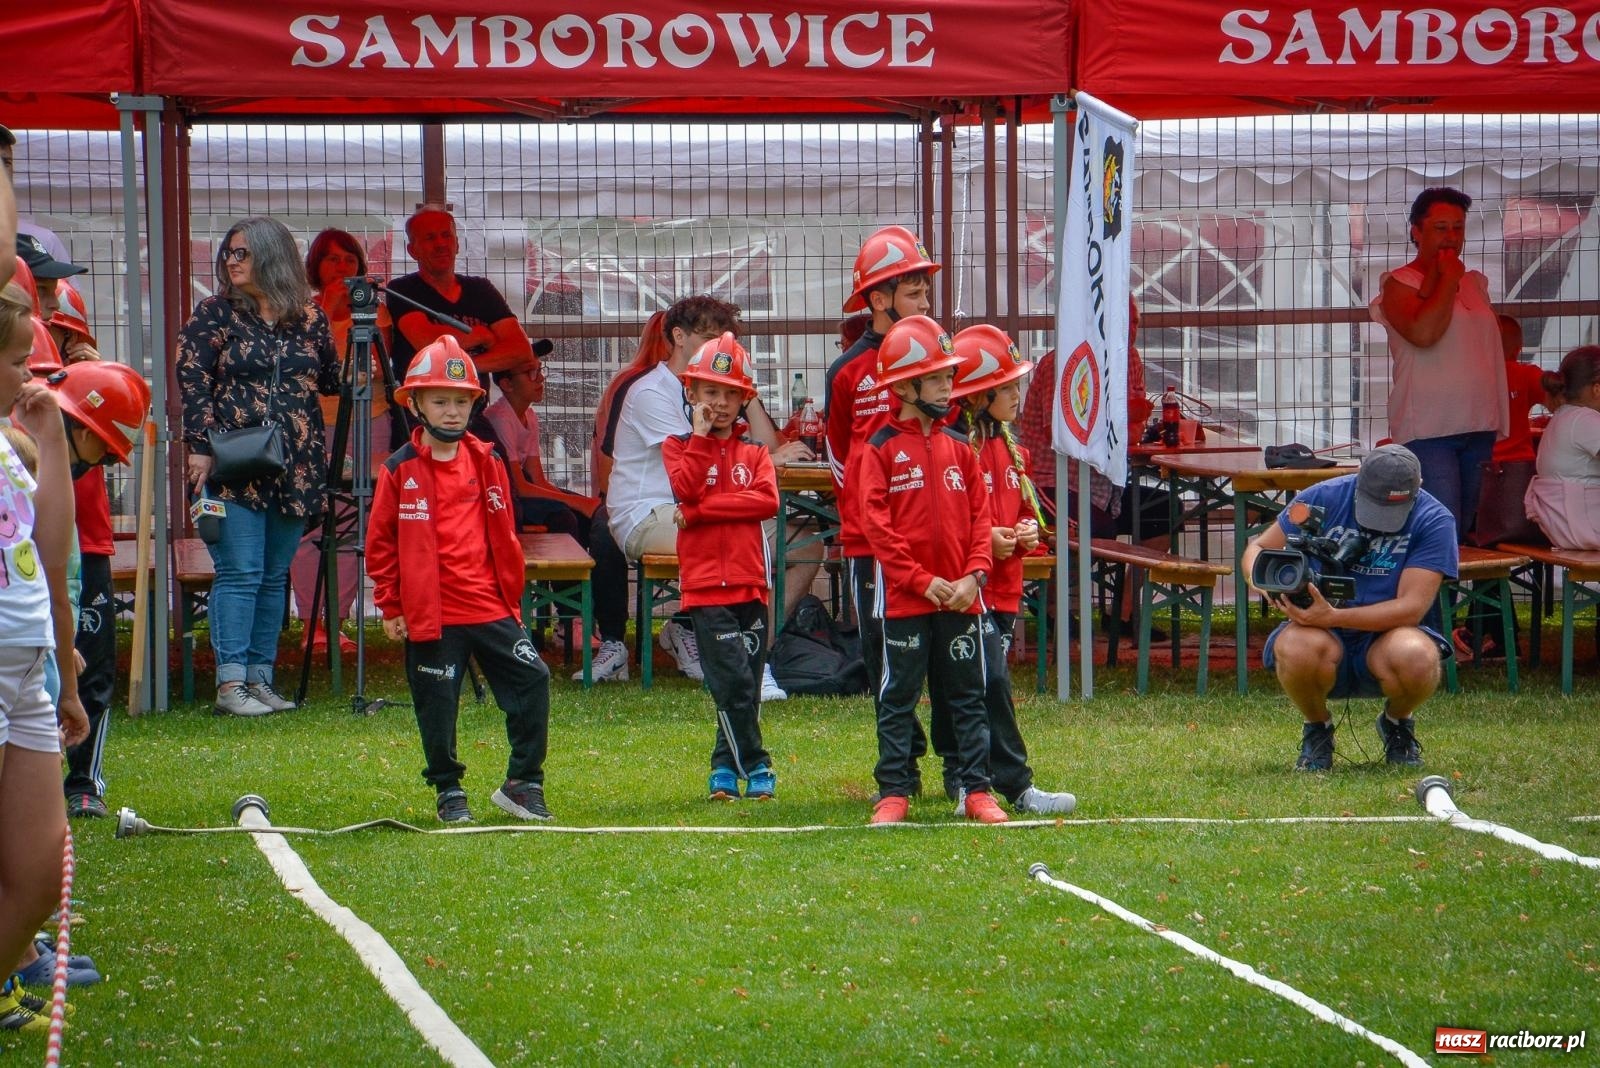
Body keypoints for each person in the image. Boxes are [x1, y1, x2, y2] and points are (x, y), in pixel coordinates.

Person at [366, 336, 554, 825]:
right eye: (440, 401)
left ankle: (523, 783)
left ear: (474, 403)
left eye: (460, 401)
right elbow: (381, 545)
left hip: (490, 607)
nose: (452, 411)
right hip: (433, 616)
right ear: (417, 404)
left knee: (533, 678)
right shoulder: (398, 469)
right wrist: (391, 605)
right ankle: (448, 790)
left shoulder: (488, 461)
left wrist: (510, 599)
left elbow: (504, 533)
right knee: (437, 705)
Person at [176, 217, 341, 717]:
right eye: (229, 252)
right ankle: (230, 685)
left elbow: (331, 380)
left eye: (242, 252)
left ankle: (259, 678)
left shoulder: (309, 319)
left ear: (272, 257)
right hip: (232, 464)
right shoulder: (215, 314)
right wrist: (200, 445)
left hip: (296, 465)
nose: (231, 260)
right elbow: (192, 378)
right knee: (240, 572)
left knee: (273, 576)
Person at [608, 295, 810, 696]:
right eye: (708, 337)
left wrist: (746, 395)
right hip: (648, 514)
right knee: (738, 542)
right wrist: (768, 457)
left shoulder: (726, 394)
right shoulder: (651, 392)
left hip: (701, 510)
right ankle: (735, 653)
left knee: (806, 545)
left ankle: (751, 650)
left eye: (724, 339)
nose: (718, 347)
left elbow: (755, 452)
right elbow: (698, 472)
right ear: (678, 337)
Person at [856, 315, 1004, 826]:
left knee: (967, 694)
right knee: (898, 696)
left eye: (948, 374)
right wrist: (921, 581)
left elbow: (982, 518)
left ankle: (975, 789)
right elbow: (876, 527)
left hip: (963, 596)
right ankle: (893, 791)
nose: (949, 384)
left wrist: (973, 578)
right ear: (905, 385)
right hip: (902, 599)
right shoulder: (877, 450)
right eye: (939, 377)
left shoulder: (962, 447)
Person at [1241, 445, 1457, 772]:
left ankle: (1397, 723)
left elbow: (1411, 609)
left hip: (1387, 635)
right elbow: (1258, 546)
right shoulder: (1321, 497)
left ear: (1419, 485)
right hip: (1319, 631)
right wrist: (1264, 583)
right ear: (1359, 480)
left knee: (1418, 655)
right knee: (1296, 647)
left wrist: (1334, 615)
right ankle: (1318, 729)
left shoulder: (1435, 519)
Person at [822, 225, 942, 790]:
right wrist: (871, 517)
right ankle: (903, 763)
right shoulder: (845, 371)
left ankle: (962, 762)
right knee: (882, 652)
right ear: (878, 299)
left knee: (944, 651)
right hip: (870, 543)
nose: (926, 303)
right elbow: (841, 457)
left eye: (925, 292)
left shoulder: (940, 361)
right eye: (914, 293)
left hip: (934, 535)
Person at [0, 279, 89, 1034]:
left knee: (38, 876)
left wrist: (52, 438)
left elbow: (48, 552)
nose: (30, 377)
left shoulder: (11, 438)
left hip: (26, 669)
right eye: (17, 363)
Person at [949, 324, 1078, 816]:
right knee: (987, 684)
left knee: (986, 683)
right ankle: (1001, 785)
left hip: (1003, 591)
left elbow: (1025, 512)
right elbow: (943, 525)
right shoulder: (958, 452)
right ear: (979, 395)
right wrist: (985, 542)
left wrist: (1026, 531)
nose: (1018, 395)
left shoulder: (1013, 451)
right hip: (968, 589)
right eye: (1008, 387)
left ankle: (975, 785)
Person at [661, 334, 781, 800]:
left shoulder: (753, 453)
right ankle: (757, 763)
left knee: (744, 685)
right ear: (691, 394)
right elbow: (687, 489)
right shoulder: (678, 446)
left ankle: (723, 771)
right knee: (731, 681)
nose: (721, 404)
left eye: (731, 393)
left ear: (745, 399)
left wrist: (704, 512)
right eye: (711, 392)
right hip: (707, 589)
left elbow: (766, 501)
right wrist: (699, 438)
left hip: (751, 586)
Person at [1371, 187, 1509, 538]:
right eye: (1440, 227)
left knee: (1467, 533)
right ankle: (1424, 594)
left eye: (1458, 228)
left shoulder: (1475, 282)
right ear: (1416, 232)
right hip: (1430, 429)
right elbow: (1424, 333)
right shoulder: (1397, 284)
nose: (1451, 237)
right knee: (1439, 529)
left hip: (1479, 421)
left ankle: (1458, 594)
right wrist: (1447, 276)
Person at [52, 361, 152, 820]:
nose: (108, 464)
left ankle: (84, 780)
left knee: (92, 664)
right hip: (38, 557)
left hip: (85, 544)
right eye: (107, 455)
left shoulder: (89, 375)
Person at [288, 228, 395, 654]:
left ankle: (338, 619)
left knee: (357, 519)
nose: (342, 266)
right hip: (319, 424)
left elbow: (383, 365)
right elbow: (302, 366)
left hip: (373, 420)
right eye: (331, 259)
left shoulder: (376, 312)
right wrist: (330, 309)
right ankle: (311, 621)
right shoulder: (302, 312)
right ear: (315, 267)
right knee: (315, 519)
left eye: (349, 258)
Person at [385, 205, 532, 393]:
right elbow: (428, 344)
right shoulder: (402, 289)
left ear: (457, 244)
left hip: (473, 407)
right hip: (419, 409)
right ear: (412, 250)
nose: (440, 244)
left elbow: (520, 350)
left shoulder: (481, 289)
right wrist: (479, 335)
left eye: (446, 235)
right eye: (430, 238)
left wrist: (460, 368)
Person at [481, 351, 598, 532]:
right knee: (564, 518)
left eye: (540, 370)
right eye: (531, 373)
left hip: (521, 488)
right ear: (507, 384)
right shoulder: (500, 419)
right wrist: (577, 502)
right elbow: (519, 487)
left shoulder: (530, 415)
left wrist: (580, 503)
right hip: (503, 494)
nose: (541, 378)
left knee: (584, 515)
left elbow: (537, 479)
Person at [1524, 346, 1600, 551]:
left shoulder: (1563, 416)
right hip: (1585, 526)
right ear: (1597, 389)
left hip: (1565, 525)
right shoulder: (1585, 420)